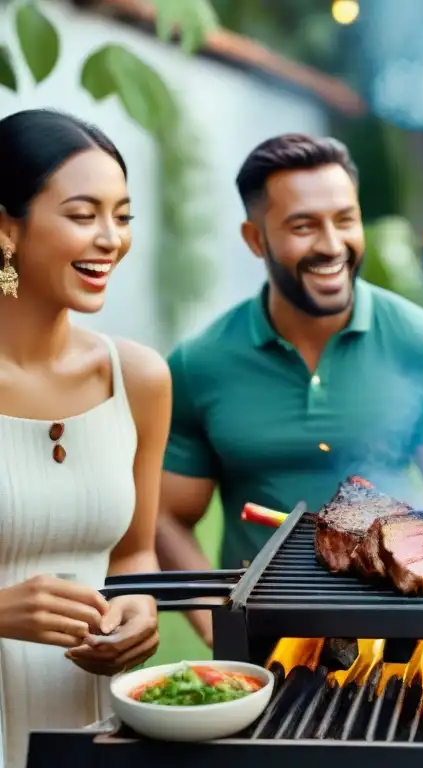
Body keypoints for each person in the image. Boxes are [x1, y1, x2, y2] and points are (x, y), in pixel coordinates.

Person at [155, 133, 423, 647]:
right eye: (303, 226)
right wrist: (219, 629)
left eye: (345, 219)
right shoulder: (200, 363)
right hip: (264, 643)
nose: (332, 245)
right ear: (255, 239)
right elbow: (166, 517)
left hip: (395, 642)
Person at [0, 109, 169, 768]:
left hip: (93, 730)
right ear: (6, 229)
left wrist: (140, 606)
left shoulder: (139, 378)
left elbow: (133, 554)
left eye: (122, 216)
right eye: (82, 214)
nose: (110, 240)